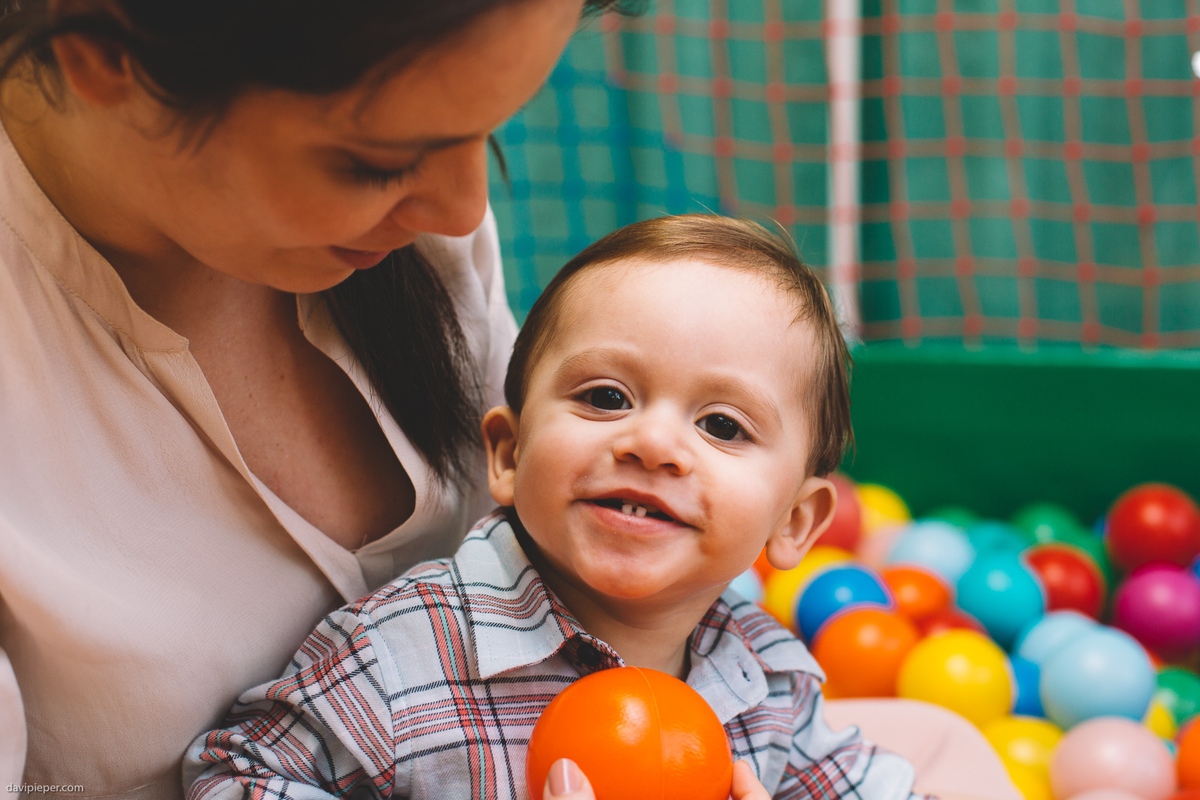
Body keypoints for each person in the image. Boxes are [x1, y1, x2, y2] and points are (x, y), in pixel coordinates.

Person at [0, 1, 626, 797]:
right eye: (375, 160)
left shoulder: (408, 226)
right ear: (101, 48)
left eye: (488, 127)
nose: (466, 210)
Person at [183, 215, 927, 800]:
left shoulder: (768, 678)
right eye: (606, 397)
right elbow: (241, 774)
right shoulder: (407, 654)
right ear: (507, 455)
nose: (654, 443)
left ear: (794, 523)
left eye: (722, 425)